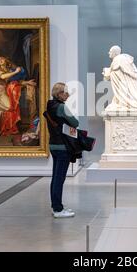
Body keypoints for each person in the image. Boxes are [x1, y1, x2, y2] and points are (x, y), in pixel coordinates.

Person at [46, 82, 79, 218]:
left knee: (55, 177)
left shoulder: (50, 105)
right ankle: (58, 209)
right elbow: (75, 122)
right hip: (62, 146)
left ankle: (56, 206)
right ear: (59, 94)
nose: (68, 94)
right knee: (59, 178)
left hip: (53, 145)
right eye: (65, 92)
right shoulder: (61, 107)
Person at [102, 45, 137, 111]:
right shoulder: (120, 60)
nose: (109, 53)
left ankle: (125, 103)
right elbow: (115, 72)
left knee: (134, 99)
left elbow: (117, 73)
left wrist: (107, 72)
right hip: (124, 88)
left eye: (110, 51)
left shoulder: (118, 60)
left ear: (115, 53)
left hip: (125, 89)